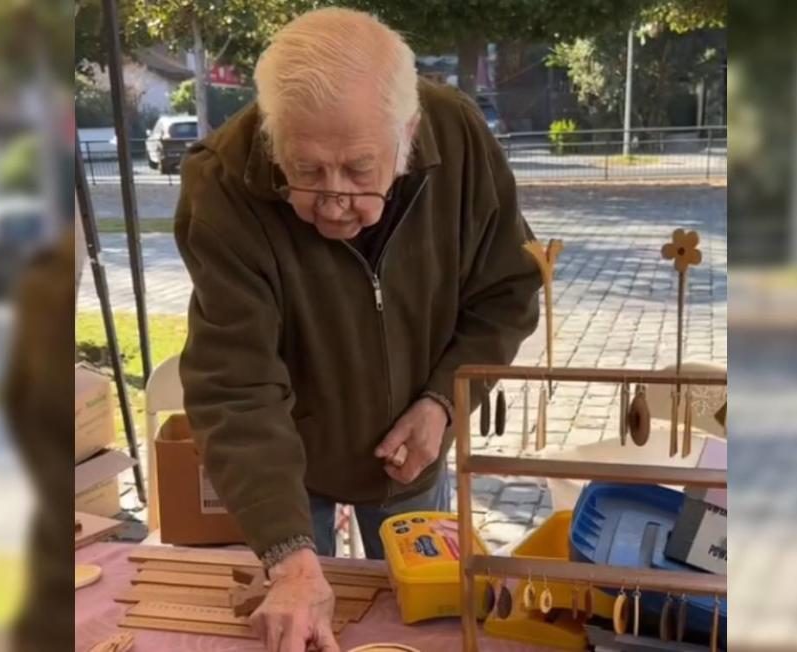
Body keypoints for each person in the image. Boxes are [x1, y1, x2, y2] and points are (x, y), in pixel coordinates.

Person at [174, 8, 541, 650]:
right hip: (286, 462)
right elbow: (235, 386)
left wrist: (443, 403)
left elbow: (506, 290)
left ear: (410, 134)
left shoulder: (456, 135)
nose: (336, 202)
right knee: (296, 610)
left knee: (427, 628)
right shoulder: (222, 185)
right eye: (308, 172)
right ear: (271, 139)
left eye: (360, 171)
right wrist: (288, 554)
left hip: (415, 448)